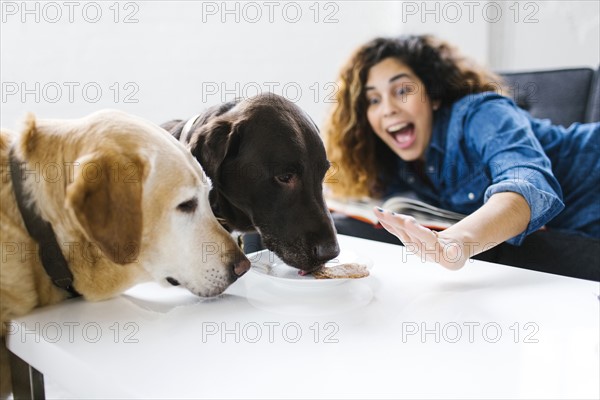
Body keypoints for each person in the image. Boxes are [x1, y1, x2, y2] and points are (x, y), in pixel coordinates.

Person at [323, 34, 599, 270]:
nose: (388, 109)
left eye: (402, 90)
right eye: (373, 99)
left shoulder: (481, 112)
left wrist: (457, 242)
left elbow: (526, 183)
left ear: (433, 96)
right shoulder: (399, 162)